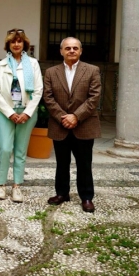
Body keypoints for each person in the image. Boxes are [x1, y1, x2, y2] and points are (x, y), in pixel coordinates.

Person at [44, 37, 101, 213]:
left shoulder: (92, 70)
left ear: (81, 51)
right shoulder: (51, 72)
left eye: (75, 48)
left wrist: (76, 116)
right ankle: (62, 193)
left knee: (84, 163)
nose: (71, 51)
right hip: (60, 125)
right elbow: (48, 97)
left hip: (84, 125)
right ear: (61, 51)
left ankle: (86, 197)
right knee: (62, 163)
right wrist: (64, 117)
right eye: (67, 48)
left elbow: (94, 97)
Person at [0, 29, 43, 203]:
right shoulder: (1, 65)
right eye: (13, 42)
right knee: (5, 149)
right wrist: (10, 113)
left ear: (24, 44)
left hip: (26, 114)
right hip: (6, 113)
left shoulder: (33, 64)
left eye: (19, 42)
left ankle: (17, 186)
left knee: (20, 151)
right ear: (8, 45)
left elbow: (38, 90)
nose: (16, 44)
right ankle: (1, 185)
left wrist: (27, 113)